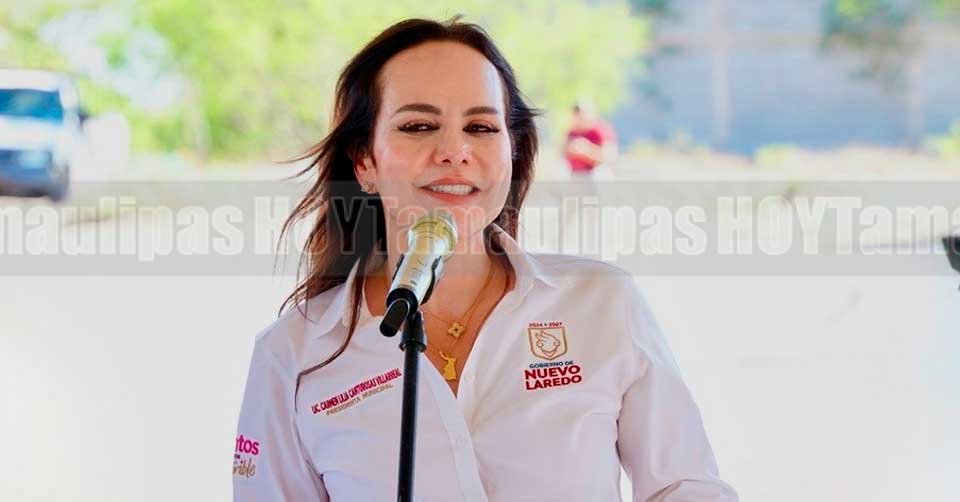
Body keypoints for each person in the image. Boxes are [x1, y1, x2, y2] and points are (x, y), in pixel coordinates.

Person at [233, 17, 738, 502]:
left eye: (480, 127)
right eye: (418, 125)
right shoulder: (292, 354)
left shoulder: (602, 300)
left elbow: (684, 488)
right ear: (364, 160)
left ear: (512, 151)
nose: (454, 151)